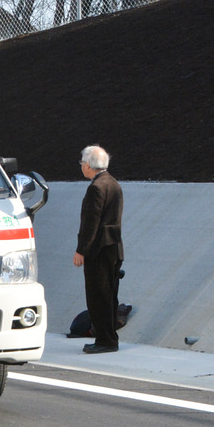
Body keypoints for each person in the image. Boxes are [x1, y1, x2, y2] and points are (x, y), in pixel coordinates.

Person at [72, 145, 124, 354]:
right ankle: (109, 338)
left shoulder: (96, 188)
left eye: (82, 163)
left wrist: (81, 250)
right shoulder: (113, 183)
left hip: (99, 249)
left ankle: (105, 340)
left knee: (97, 296)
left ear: (87, 165)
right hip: (114, 247)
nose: (81, 167)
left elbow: (90, 224)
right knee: (109, 296)